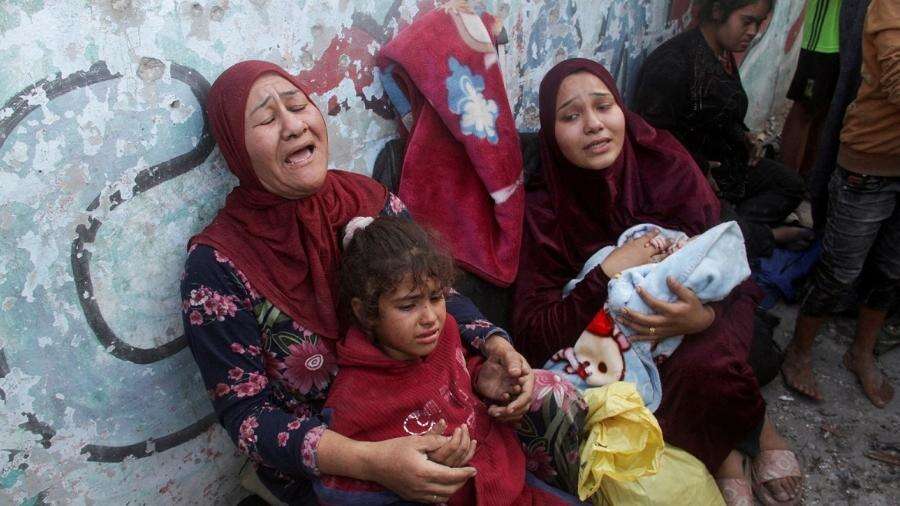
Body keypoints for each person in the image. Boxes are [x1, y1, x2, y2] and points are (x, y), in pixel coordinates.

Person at [180, 61, 534, 504]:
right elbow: (248, 417)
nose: (292, 126)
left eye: (297, 105)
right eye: (267, 120)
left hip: (428, 406)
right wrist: (372, 462)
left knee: (556, 412)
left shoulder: (370, 201)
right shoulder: (217, 266)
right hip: (336, 468)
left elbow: (439, 292)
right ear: (237, 148)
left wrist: (496, 347)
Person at [512, 58, 802, 505]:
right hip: (616, 336)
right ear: (551, 135)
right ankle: (728, 451)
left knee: (716, 357)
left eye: (603, 106)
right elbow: (534, 332)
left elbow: (730, 269)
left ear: (621, 111)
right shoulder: (546, 210)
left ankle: (757, 435)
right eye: (570, 116)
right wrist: (608, 272)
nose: (593, 125)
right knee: (630, 391)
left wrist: (701, 317)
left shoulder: (665, 162)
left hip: (707, 312)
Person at [317, 216, 577, 505]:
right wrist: (424, 466)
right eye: (408, 305)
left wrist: (481, 379)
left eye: (437, 297)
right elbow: (337, 490)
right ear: (365, 313)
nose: (430, 318)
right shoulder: (355, 398)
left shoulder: (448, 332)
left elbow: (456, 371)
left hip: (509, 481)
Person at [782, 0, 899, 409]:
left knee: (891, 270)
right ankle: (799, 349)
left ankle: (860, 351)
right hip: (870, 163)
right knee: (840, 270)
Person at [634, 0, 812, 259]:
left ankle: (735, 229)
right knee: (708, 222)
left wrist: (745, 136)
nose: (753, 32)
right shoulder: (673, 63)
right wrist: (699, 168)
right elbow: (651, 138)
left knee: (790, 185)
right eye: (747, 21)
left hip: (729, 168)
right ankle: (763, 235)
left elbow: (719, 112)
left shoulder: (722, 52)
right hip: (686, 180)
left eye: (759, 22)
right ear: (718, 11)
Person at [547, 221, 751, 413]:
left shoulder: (678, 276)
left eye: (689, 247)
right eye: (687, 242)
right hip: (592, 311)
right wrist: (641, 251)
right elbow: (621, 286)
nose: (682, 246)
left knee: (721, 367)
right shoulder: (661, 243)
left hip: (643, 339)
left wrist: (707, 316)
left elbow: (625, 301)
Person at [780, 0, 842, 176]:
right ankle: (786, 177)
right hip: (822, 40)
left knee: (826, 113)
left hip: (847, 41)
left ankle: (807, 176)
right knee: (804, 110)